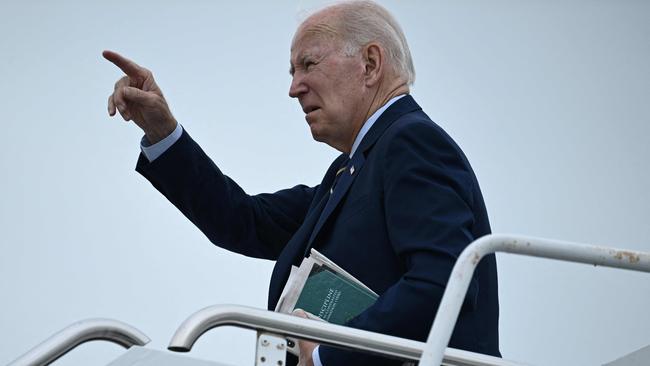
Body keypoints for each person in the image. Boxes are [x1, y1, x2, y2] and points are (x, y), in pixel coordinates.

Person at [103, 1, 500, 365]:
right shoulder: (349, 173)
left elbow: (445, 283)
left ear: (371, 63)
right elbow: (243, 220)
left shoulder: (411, 142)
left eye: (308, 64)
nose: (294, 88)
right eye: (293, 72)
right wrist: (161, 130)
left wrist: (329, 354)